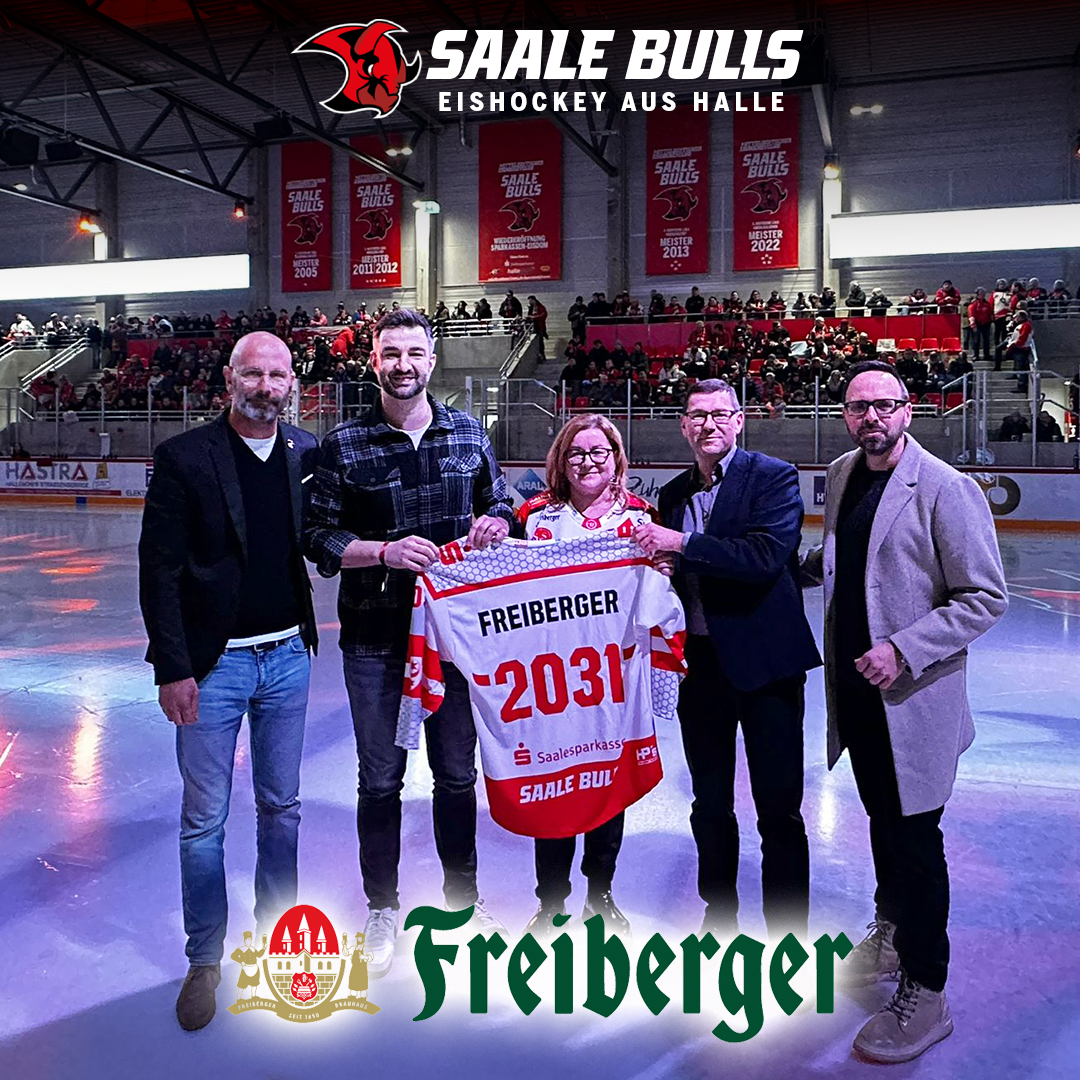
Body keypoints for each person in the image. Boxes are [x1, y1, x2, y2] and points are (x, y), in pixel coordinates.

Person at [802, 360, 1006, 1064]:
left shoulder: (946, 487)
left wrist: (903, 649)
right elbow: (849, 556)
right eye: (858, 407)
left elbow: (984, 596)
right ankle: (890, 934)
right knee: (884, 827)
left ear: (908, 410)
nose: (872, 418)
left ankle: (928, 988)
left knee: (916, 842)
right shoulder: (842, 473)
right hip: (859, 694)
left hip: (913, 699)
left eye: (884, 405)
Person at [304, 308, 513, 979]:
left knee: (457, 775)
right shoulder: (343, 444)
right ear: (373, 361)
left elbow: (502, 503)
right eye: (390, 353)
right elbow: (318, 537)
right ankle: (382, 907)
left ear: (431, 359)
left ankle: (462, 900)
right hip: (375, 642)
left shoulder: (468, 433)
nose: (403, 365)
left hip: (454, 642)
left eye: (414, 353)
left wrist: (496, 523)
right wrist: (383, 551)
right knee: (379, 779)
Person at [138, 331, 319, 1032]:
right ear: (229, 379)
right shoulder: (185, 457)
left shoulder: (304, 450)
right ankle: (205, 960)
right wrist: (174, 667)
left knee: (282, 808)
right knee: (203, 821)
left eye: (278, 375)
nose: (266, 386)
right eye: (253, 374)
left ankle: (281, 945)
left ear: (291, 383)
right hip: (213, 667)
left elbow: (323, 536)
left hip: (288, 658)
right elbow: (159, 570)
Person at [634, 379, 821, 939]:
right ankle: (719, 919)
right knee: (710, 803)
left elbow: (765, 556)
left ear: (739, 420)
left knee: (778, 808)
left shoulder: (773, 476)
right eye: (697, 415)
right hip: (700, 668)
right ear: (683, 426)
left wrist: (681, 546)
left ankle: (787, 933)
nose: (708, 424)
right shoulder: (673, 494)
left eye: (720, 414)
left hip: (766, 664)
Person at [514, 414, 671, 940]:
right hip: (549, 681)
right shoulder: (533, 516)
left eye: (598, 452)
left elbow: (660, 591)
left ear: (616, 459)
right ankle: (550, 900)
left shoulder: (641, 518)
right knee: (552, 787)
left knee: (608, 785)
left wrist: (664, 571)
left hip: (614, 681)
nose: (587, 462)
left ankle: (599, 894)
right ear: (561, 461)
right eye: (576, 453)